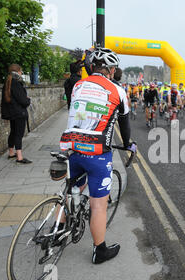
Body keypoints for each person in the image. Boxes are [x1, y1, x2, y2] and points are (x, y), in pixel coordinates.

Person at [59, 47, 134, 264]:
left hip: (73, 148)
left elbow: (81, 113)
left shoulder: (78, 85)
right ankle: (99, 251)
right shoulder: (118, 91)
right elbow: (125, 125)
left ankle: (57, 231)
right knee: (98, 205)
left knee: (70, 190)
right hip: (98, 154)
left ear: (91, 67)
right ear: (111, 70)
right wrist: (128, 144)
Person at [1, 64, 32, 164]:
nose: (21, 73)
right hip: (19, 112)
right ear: (17, 71)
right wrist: (28, 100)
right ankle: (19, 157)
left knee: (13, 132)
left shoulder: (7, 83)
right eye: (21, 71)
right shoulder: (16, 84)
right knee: (19, 134)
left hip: (11, 112)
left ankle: (11, 152)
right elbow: (23, 100)